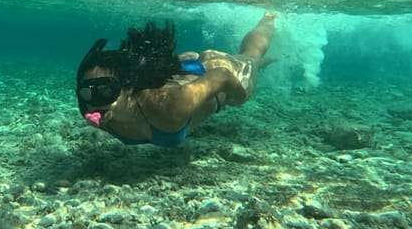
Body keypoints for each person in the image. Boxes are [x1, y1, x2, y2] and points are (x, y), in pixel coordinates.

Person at [75, 12, 276, 147]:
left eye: (104, 91)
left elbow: (221, 76)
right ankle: (187, 61)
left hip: (215, 71)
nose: (93, 103)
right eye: (86, 92)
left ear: (128, 87)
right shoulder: (103, 111)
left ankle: (270, 17)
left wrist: (239, 98)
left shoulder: (170, 105)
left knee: (252, 56)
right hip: (183, 73)